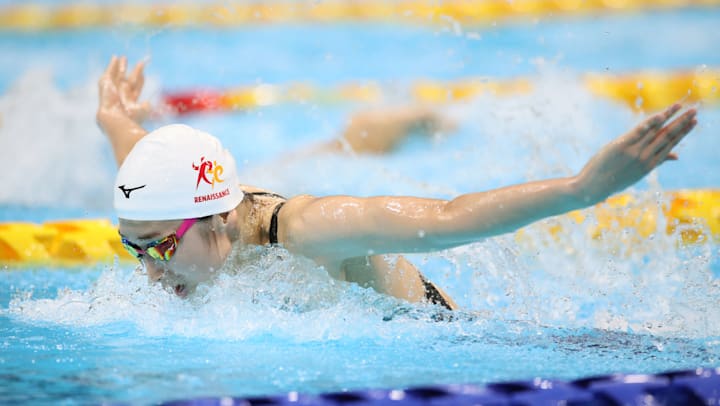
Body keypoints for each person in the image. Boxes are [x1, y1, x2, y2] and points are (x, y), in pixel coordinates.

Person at [97, 56, 697, 310]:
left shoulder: (306, 231)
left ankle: (403, 121)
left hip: (438, 334)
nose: (149, 269)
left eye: (163, 247)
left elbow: (445, 219)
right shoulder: (171, 211)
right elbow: (144, 163)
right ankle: (373, 127)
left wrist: (581, 189)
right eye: (136, 247)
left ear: (219, 217)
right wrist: (117, 120)